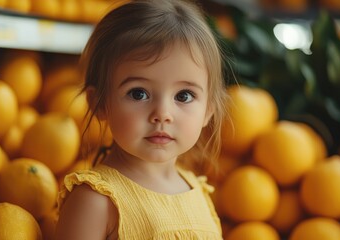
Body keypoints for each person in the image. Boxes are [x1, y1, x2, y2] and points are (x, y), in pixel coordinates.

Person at [56, 0, 228, 239]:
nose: (162, 114)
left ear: (208, 110)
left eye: (183, 95)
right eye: (139, 93)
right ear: (99, 103)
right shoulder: (96, 200)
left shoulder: (199, 191)